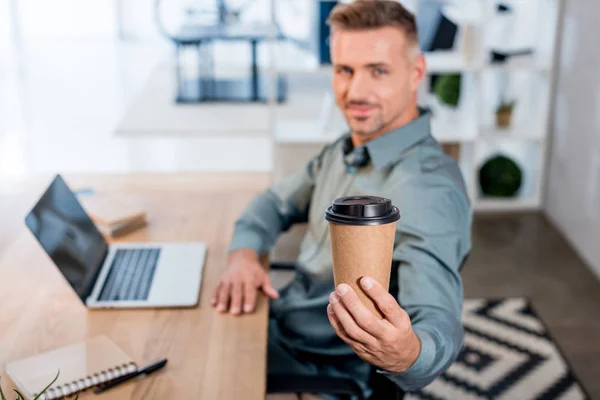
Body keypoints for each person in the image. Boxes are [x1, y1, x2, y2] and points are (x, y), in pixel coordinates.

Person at [211, 0, 472, 397]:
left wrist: (407, 355)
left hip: (319, 361)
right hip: (283, 319)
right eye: (344, 70)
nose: (355, 91)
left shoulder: (426, 187)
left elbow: (437, 315)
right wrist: (244, 256)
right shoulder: (345, 150)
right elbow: (273, 203)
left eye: (378, 71)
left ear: (416, 72)